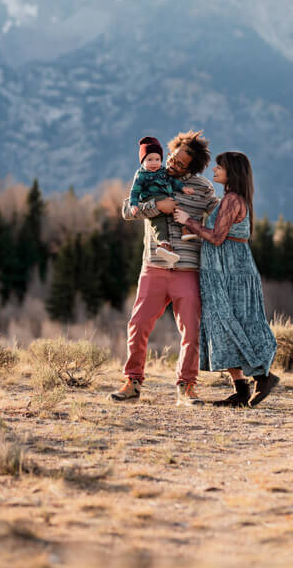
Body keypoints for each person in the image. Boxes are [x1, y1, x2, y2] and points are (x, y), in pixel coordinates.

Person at [110, 130, 218, 407]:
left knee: (191, 331)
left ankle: (187, 386)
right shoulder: (151, 175)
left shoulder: (204, 188)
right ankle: (132, 382)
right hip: (154, 267)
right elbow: (126, 210)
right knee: (138, 324)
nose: (172, 164)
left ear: (192, 167)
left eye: (180, 164)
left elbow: (220, 222)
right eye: (172, 157)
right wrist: (158, 206)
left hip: (188, 269)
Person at [174, 151, 279, 407]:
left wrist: (188, 221)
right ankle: (241, 388)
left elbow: (218, 237)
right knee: (222, 324)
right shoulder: (230, 199)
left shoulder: (232, 199)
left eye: (219, 167)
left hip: (230, 272)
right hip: (221, 269)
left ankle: (262, 376)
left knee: (232, 323)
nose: (214, 171)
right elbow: (218, 234)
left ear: (231, 171)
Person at [128, 135, 194, 266]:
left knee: (178, 210)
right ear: (142, 161)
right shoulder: (141, 175)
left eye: (157, 159)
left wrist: (183, 188)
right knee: (159, 223)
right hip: (151, 200)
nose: (154, 163)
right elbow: (134, 191)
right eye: (149, 159)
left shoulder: (163, 171)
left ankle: (185, 229)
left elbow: (173, 182)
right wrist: (133, 204)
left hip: (168, 199)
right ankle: (164, 244)